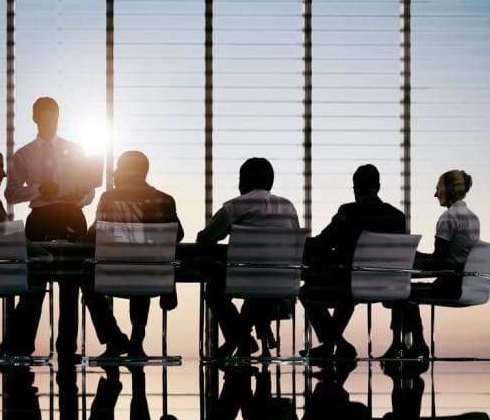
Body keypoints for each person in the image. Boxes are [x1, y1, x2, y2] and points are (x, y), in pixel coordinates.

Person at [2, 96, 95, 362]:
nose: (49, 120)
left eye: (53, 114)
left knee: (70, 285)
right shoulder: (23, 155)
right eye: (44, 115)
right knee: (34, 283)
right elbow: (11, 193)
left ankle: (67, 348)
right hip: (41, 216)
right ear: (34, 118)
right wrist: (39, 189)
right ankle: (21, 345)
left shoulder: (76, 150)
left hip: (71, 214)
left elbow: (90, 191)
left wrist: (79, 196)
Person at [82, 150, 184, 358]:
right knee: (142, 273)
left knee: (87, 280)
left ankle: (114, 338)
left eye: (118, 168)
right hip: (153, 278)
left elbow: (95, 234)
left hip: (112, 276)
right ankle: (137, 340)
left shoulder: (109, 198)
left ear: (127, 171)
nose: (114, 174)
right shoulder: (165, 200)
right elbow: (178, 234)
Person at [299, 164, 407, 359]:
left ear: (356, 188)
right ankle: (334, 344)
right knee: (346, 292)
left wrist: (299, 244)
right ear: (378, 187)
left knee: (306, 292)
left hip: (350, 284)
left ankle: (336, 343)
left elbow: (324, 241)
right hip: (388, 286)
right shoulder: (397, 217)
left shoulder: (349, 212)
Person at [196, 157, 299, 358]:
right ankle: (242, 339)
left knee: (215, 292)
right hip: (282, 281)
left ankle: (240, 339)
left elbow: (206, 238)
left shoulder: (235, 206)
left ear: (243, 181)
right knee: (259, 289)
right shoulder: (288, 207)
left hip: (245, 279)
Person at [383, 169, 479, 359]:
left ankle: (407, 344)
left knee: (398, 291)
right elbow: (452, 256)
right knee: (404, 291)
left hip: (449, 284)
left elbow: (439, 261)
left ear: (449, 191)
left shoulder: (448, 218)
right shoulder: (472, 218)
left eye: (438, 189)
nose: (436, 195)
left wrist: (412, 256)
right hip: (467, 282)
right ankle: (412, 344)